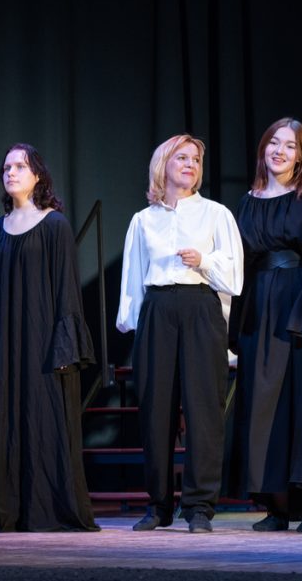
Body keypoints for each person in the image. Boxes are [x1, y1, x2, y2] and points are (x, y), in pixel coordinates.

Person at [227, 118, 302, 533]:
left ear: (301, 156)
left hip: (299, 307)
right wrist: (236, 324)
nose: (280, 151)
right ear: (263, 148)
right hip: (259, 308)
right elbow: (240, 266)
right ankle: (275, 505)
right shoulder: (246, 203)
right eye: (274, 143)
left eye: (291, 146)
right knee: (263, 405)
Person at [0, 143, 99, 532]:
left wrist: (65, 348)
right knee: (5, 420)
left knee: (42, 421)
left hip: (43, 345)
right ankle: (9, 510)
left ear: (37, 175)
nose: (10, 173)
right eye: (6, 167)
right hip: (5, 346)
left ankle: (49, 509)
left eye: (20, 166)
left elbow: (67, 290)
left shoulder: (55, 225)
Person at [117, 134, 243, 534]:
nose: (190, 165)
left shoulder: (216, 214)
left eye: (196, 160)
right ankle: (158, 504)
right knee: (156, 411)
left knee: (204, 410)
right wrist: (135, 324)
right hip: (157, 310)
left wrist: (203, 260)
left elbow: (235, 276)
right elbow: (133, 276)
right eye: (182, 158)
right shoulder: (143, 220)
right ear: (163, 165)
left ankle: (199, 506)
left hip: (200, 307)